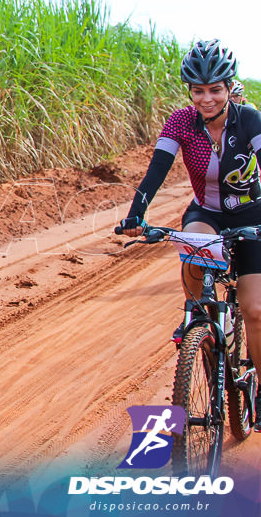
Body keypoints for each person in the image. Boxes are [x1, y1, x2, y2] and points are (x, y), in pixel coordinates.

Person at [118, 39, 261, 430]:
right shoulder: (181, 122)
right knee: (194, 251)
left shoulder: (250, 120)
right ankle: (204, 329)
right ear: (190, 91)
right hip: (207, 213)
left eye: (215, 89)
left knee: (255, 310)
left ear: (230, 87)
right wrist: (136, 215)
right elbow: (156, 171)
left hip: (252, 215)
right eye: (198, 90)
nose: (207, 98)